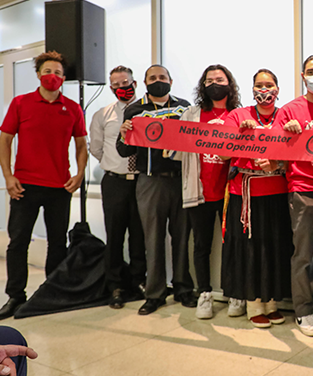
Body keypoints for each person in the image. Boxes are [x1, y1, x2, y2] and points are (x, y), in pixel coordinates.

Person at [0, 51, 87, 321]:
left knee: (58, 242)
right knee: (18, 242)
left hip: (60, 186)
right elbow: (5, 140)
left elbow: (82, 145)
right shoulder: (21, 103)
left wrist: (80, 173)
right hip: (25, 185)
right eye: (47, 71)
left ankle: (51, 293)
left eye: (58, 73)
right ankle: (15, 296)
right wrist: (9, 176)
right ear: (38, 74)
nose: (52, 77)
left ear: (64, 78)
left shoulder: (72, 108)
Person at [117, 64, 196, 315]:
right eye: (153, 78)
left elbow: (194, 141)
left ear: (171, 81)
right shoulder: (135, 110)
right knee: (152, 239)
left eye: (162, 77)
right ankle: (155, 293)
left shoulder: (185, 108)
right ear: (145, 82)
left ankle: (183, 288)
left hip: (180, 179)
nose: (158, 81)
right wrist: (123, 134)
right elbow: (124, 151)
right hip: (150, 181)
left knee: (183, 237)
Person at [221, 69, 293, 328]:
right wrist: (242, 133)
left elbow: (294, 148)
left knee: (275, 247)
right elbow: (223, 149)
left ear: (277, 89)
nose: (264, 90)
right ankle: (253, 304)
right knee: (250, 249)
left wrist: (276, 163)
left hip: (277, 191)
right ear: (252, 89)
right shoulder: (237, 115)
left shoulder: (285, 115)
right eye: (259, 85)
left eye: (269, 85)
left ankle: (272, 302)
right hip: (246, 193)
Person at [178, 65, 240, 319]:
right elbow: (174, 147)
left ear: (229, 83)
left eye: (220, 79)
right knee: (202, 246)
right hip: (199, 191)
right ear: (202, 86)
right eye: (209, 80)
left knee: (233, 245)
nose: (215, 83)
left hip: (231, 192)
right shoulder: (191, 115)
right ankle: (204, 292)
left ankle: (235, 292)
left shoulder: (238, 114)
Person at [279, 55, 313, 337]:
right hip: (302, 187)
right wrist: (289, 136)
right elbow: (274, 151)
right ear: (302, 76)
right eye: (311, 72)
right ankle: (303, 311)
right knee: (303, 254)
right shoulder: (289, 110)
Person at [89, 65, 146, 309]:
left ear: (135, 82)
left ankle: (138, 280)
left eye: (126, 83)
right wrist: (114, 163)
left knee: (139, 235)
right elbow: (96, 148)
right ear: (111, 88)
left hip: (142, 181)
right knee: (114, 235)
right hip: (114, 181)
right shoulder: (103, 114)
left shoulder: (147, 111)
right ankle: (115, 285)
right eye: (117, 85)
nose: (123, 88)